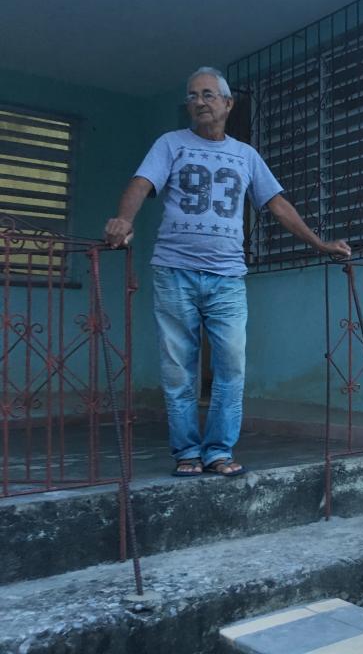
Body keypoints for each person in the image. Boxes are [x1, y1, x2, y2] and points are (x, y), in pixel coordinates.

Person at [104, 67, 350, 478]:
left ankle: (218, 451)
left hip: (227, 277)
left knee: (231, 366)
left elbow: (276, 204)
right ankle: (186, 452)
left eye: (208, 95)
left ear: (227, 104)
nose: (199, 102)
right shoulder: (170, 144)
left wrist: (319, 244)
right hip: (174, 270)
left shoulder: (246, 155)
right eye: (192, 95)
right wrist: (123, 220)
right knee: (178, 367)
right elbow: (141, 183)